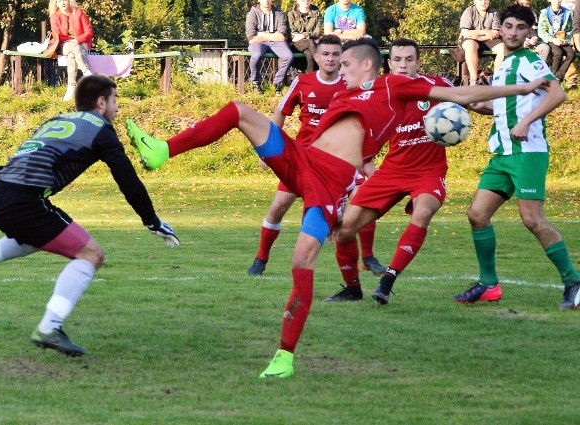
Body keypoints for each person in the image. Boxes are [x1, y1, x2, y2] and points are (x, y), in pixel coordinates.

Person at [125, 38, 550, 378]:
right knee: (239, 111)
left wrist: (524, 89)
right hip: (300, 160)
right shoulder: (345, 94)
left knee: (302, 258)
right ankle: (163, 150)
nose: (339, 71)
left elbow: (463, 92)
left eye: (345, 65)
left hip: (328, 185)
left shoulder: (393, 85)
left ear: (367, 65)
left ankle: (284, 356)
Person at [0, 75, 180, 357]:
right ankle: (49, 327)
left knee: (36, 237)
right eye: (115, 101)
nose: (117, 109)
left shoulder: (57, 120)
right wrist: (151, 219)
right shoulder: (101, 130)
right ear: (101, 102)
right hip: (23, 200)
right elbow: (127, 179)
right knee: (91, 255)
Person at [453, 4, 580, 310]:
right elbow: (500, 107)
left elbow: (557, 94)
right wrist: (469, 106)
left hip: (527, 153)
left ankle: (574, 283)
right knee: (477, 215)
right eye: (507, 26)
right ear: (501, 29)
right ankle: (488, 284)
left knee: (532, 219)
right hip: (502, 153)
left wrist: (526, 122)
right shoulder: (504, 65)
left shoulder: (529, 61)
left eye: (519, 28)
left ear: (528, 32)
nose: (512, 32)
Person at [246, 35, 386, 285]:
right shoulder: (302, 82)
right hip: (301, 160)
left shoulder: (350, 85)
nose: (331, 59)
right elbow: (280, 113)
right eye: (326, 54)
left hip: (338, 162)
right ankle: (260, 258)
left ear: (342, 58)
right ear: (318, 57)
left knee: (363, 200)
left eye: (336, 55)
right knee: (277, 208)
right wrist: (267, 152)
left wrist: (366, 160)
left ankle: (369, 256)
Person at [326, 38, 454, 305]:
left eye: (409, 59)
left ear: (418, 62)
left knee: (422, 212)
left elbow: (473, 102)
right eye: (397, 59)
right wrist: (366, 164)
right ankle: (352, 289)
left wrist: (509, 105)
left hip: (429, 171)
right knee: (344, 231)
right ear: (389, 63)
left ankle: (387, 282)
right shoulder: (380, 92)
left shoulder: (437, 86)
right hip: (391, 171)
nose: (403, 64)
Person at [49, 0, 93, 101]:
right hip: (64, 45)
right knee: (74, 47)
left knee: (73, 54)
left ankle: (71, 87)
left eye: (65, 0)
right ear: (56, 4)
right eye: (60, 1)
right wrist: (73, 41)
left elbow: (89, 32)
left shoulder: (78, 12)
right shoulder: (54, 17)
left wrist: (78, 40)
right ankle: (86, 72)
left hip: (82, 43)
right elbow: (58, 36)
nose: (63, 3)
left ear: (69, 1)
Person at [245, 0, 294, 91]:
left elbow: (282, 36)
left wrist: (261, 34)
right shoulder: (252, 14)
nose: (266, 1)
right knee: (256, 55)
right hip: (258, 43)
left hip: (277, 43)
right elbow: (251, 38)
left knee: (289, 56)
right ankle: (255, 83)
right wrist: (274, 36)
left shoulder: (279, 13)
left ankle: (277, 83)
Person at [459, 0, 506, 85]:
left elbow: (495, 32)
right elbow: (466, 33)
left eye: (486, 0)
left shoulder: (494, 12)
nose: (483, 2)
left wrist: (479, 37)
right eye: (480, 0)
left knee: (503, 48)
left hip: (488, 39)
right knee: (470, 45)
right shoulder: (468, 12)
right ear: (475, 1)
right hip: (470, 39)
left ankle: (497, 80)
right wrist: (485, 32)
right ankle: (474, 80)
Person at [538, 0, 575, 82]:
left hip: (562, 39)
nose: (558, 0)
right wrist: (552, 40)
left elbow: (569, 29)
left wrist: (567, 40)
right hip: (551, 39)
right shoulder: (545, 13)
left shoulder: (567, 12)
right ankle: (552, 77)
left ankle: (557, 76)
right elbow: (542, 31)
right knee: (558, 53)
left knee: (571, 54)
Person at [287, 0, 323, 73]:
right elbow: (292, 35)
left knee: (308, 53)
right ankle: (323, 68)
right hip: (296, 45)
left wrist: (303, 35)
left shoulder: (317, 13)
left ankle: (310, 80)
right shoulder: (291, 14)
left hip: (312, 46)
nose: (306, 0)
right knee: (309, 42)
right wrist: (310, 35)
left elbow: (317, 33)